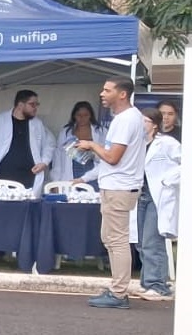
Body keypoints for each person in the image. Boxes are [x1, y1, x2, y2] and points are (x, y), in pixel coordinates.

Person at [75, 78, 146, 309]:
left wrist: (92, 145)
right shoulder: (127, 118)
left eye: (107, 90)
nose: (102, 93)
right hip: (117, 185)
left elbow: (113, 157)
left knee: (117, 240)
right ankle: (117, 287)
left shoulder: (126, 120)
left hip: (119, 187)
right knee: (111, 239)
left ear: (122, 94)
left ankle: (118, 293)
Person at [137, 107, 181, 300]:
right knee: (140, 242)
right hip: (140, 196)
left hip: (159, 196)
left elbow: (185, 163)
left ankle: (159, 285)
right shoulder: (137, 145)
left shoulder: (167, 143)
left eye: (144, 121)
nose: (140, 125)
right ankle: (147, 282)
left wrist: (167, 181)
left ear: (154, 124)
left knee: (152, 241)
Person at [0, 89, 54, 195]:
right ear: (20, 105)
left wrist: (44, 162)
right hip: (1, 175)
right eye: (32, 104)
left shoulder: (37, 124)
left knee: (25, 209)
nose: (35, 108)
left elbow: (50, 144)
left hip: (29, 177)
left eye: (37, 104)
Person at [52, 100, 105, 185]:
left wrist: (92, 152)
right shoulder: (66, 132)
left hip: (93, 170)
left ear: (90, 115)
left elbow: (105, 153)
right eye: (79, 115)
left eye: (85, 115)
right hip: (71, 170)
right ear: (74, 116)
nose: (82, 118)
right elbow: (58, 158)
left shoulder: (100, 131)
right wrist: (56, 180)